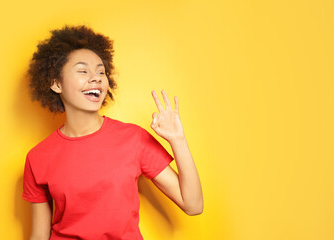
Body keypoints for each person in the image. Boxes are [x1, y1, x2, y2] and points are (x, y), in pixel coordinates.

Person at [22, 25, 203, 240]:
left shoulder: (134, 139)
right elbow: (39, 236)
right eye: (82, 71)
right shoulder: (37, 157)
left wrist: (178, 140)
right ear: (56, 83)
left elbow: (193, 205)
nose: (96, 78)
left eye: (101, 71)